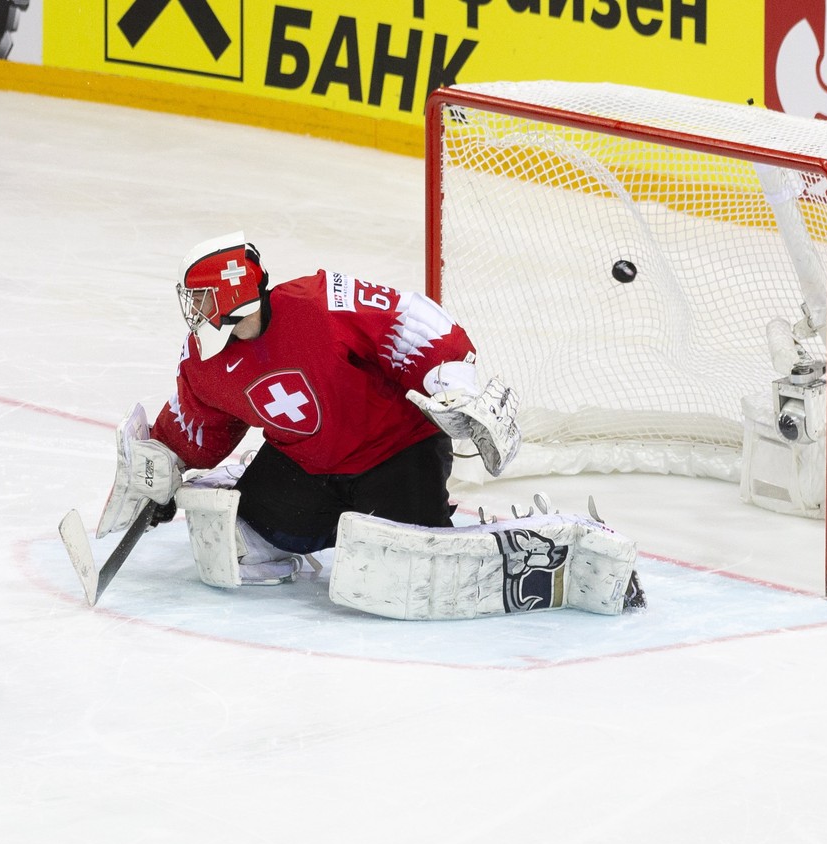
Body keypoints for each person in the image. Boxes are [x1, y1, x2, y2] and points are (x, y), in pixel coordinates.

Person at [95, 231, 526, 589]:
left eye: (203, 299)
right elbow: (200, 420)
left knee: (406, 570)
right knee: (233, 549)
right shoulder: (204, 360)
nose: (195, 312)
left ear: (234, 294)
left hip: (393, 452)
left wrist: (452, 383)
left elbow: (406, 314)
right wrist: (166, 466)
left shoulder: (318, 303)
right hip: (306, 464)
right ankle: (254, 488)